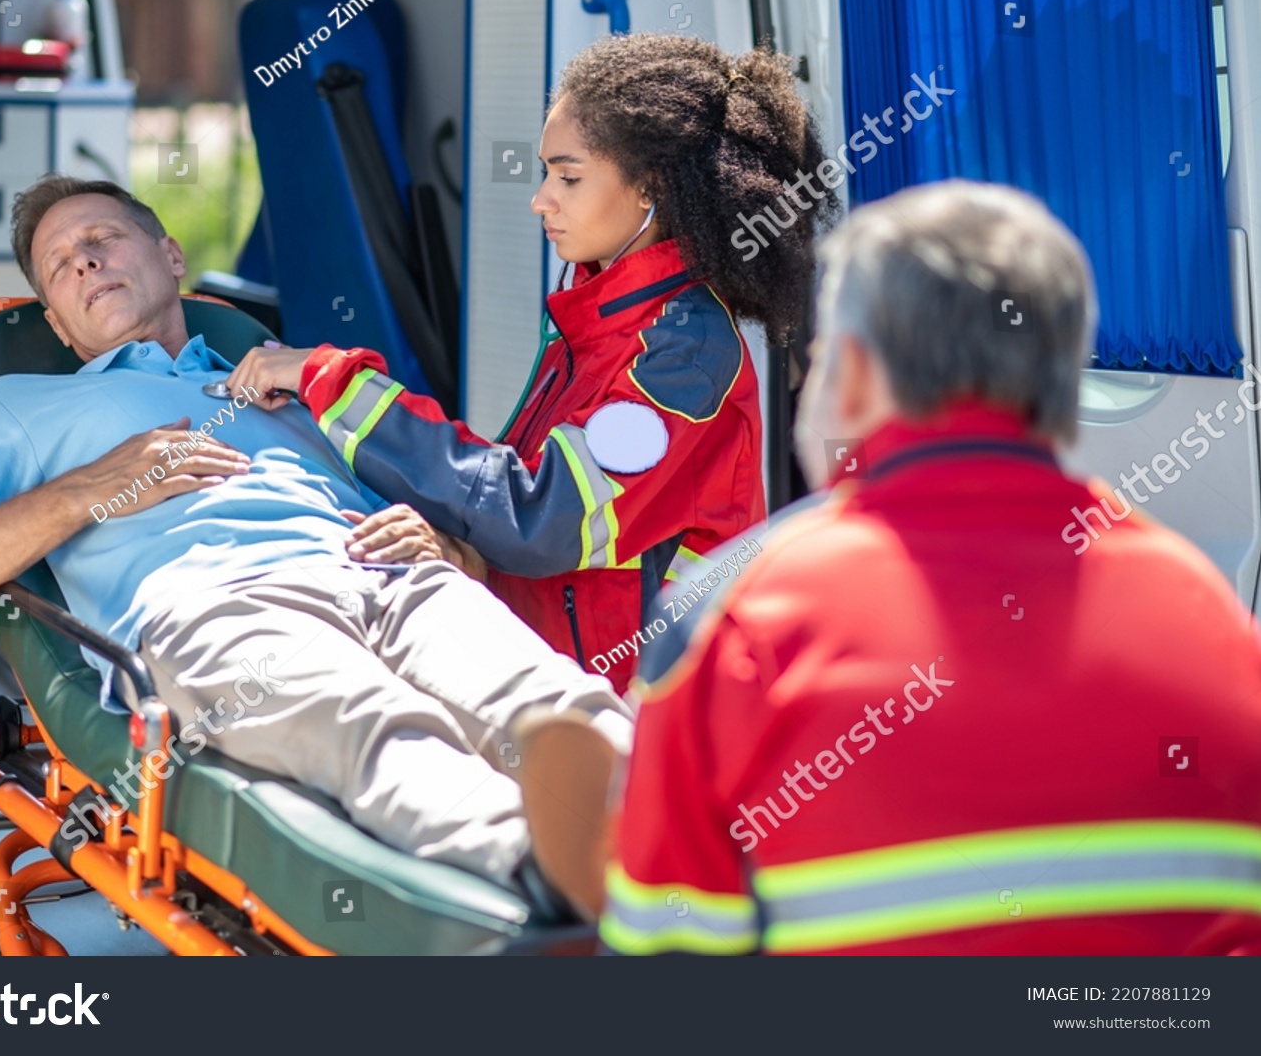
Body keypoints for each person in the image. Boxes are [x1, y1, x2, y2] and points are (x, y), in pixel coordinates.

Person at [523, 180, 1261, 953]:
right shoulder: (1209, 612)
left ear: (859, 372)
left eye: (817, 362)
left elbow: (663, 959)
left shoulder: (736, 613)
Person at [0, 176, 632, 901]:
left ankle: (687, 832)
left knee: (556, 700)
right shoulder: (18, 404)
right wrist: (90, 487)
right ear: (55, 322)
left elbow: (433, 510)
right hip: (216, 603)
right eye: (60, 265)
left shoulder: (285, 384)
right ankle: (550, 872)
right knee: (370, 725)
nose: (85, 260)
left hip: (393, 578)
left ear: (171, 256)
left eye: (104, 238)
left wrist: (451, 549)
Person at [226, 33, 837, 693]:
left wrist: (331, 377)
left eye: (568, 176)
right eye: (547, 172)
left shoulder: (682, 352)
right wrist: (464, 556)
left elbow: (541, 517)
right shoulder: (600, 317)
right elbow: (537, 531)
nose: (541, 199)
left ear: (650, 189)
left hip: (639, 715)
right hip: (561, 694)